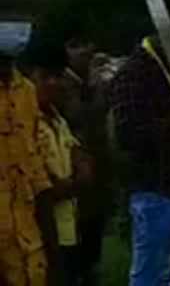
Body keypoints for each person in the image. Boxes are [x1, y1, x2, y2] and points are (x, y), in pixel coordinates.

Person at [109, 29, 170, 286]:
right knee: (148, 273)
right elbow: (127, 136)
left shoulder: (167, 70)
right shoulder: (135, 73)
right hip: (153, 189)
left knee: (165, 272)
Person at [0, 0, 54, 286]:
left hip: (31, 265)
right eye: (6, 13)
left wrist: (56, 264)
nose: (17, 24)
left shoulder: (27, 92)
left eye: (24, 14)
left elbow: (40, 185)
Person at [28, 39, 93, 285]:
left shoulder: (58, 119)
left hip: (68, 229)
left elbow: (83, 162)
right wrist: (71, 184)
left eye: (57, 77)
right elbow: (43, 189)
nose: (53, 84)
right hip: (39, 236)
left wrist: (72, 182)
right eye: (45, 77)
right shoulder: (24, 125)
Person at [61, 29, 114, 285]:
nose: (84, 55)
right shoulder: (63, 84)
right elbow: (74, 117)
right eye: (77, 48)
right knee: (75, 231)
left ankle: (91, 271)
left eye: (88, 49)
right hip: (72, 169)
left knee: (95, 226)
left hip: (99, 165)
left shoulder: (97, 82)